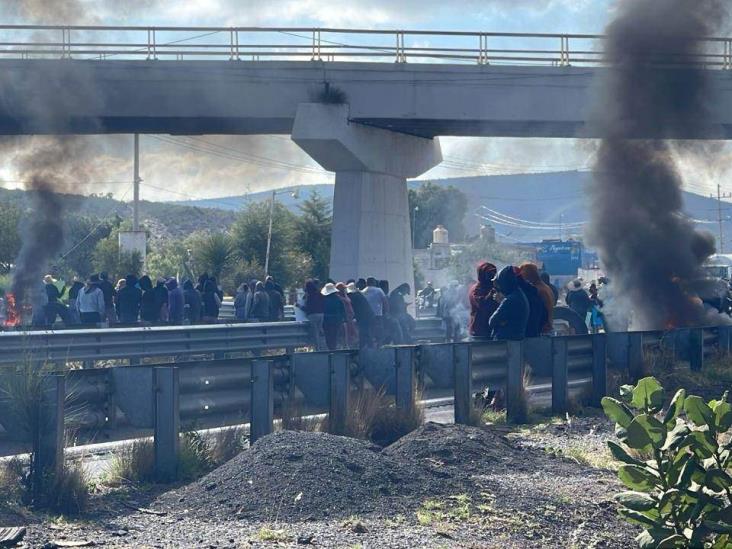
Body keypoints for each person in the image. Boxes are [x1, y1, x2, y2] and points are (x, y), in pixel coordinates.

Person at [489, 266, 529, 341]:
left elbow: (492, 321)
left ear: (504, 282)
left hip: (506, 343)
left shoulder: (510, 300)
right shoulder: (519, 294)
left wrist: (502, 302)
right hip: (516, 341)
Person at [520, 263, 554, 334]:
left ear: (528, 276)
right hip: (547, 327)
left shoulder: (538, 290)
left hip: (543, 329)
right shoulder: (546, 287)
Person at [468, 262, 499, 340]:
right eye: (489, 273)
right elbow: (482, 305)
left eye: (493, 273)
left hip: (492, 330)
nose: (492, 276)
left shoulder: (494, 287)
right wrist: (492, 293)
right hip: (480, 332)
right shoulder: (476, 289)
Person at [346, 282, 374, 348]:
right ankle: (368, 346)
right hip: (368, 315)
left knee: (364, 332)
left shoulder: (353, 296)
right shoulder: (358, 294)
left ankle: (364, 347)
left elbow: (354, 309)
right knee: (366, 332)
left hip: (364, 316)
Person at [362, 277, 387, 346]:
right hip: (377, 314)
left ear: (366, 283)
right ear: (374, 282)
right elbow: (385, 301)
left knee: (370, 330)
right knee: (379, 329)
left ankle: (371, 344)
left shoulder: (362, 291)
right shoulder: (379, 290)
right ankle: (379, 344)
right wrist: (386, 312)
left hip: (367, 315)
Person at [301, 279, 325, 350]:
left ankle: (317, 348)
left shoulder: (309, 296)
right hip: (321, 314)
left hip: (313, 315)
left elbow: (307, 308)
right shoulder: (319, 293)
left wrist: (299, 306)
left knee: (315, 333)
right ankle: (323, 347)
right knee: (320, 331)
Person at [321, 282, 346, 350]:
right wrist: (344, 319)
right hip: (337, 320)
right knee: (334, 336)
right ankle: (333, 349)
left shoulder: (324, 299)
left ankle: (330, 349)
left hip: (326, 320)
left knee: (328, 337)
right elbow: (343, 310)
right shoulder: (338, 299)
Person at [336, 282, 358, 348]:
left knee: (352, 330)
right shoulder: (339, 297)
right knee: (347, 331)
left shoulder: (345, 295)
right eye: (343, 288)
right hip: (346, 315)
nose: (344, 290)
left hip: (350, 315)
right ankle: (346, 345)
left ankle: (351, 344)